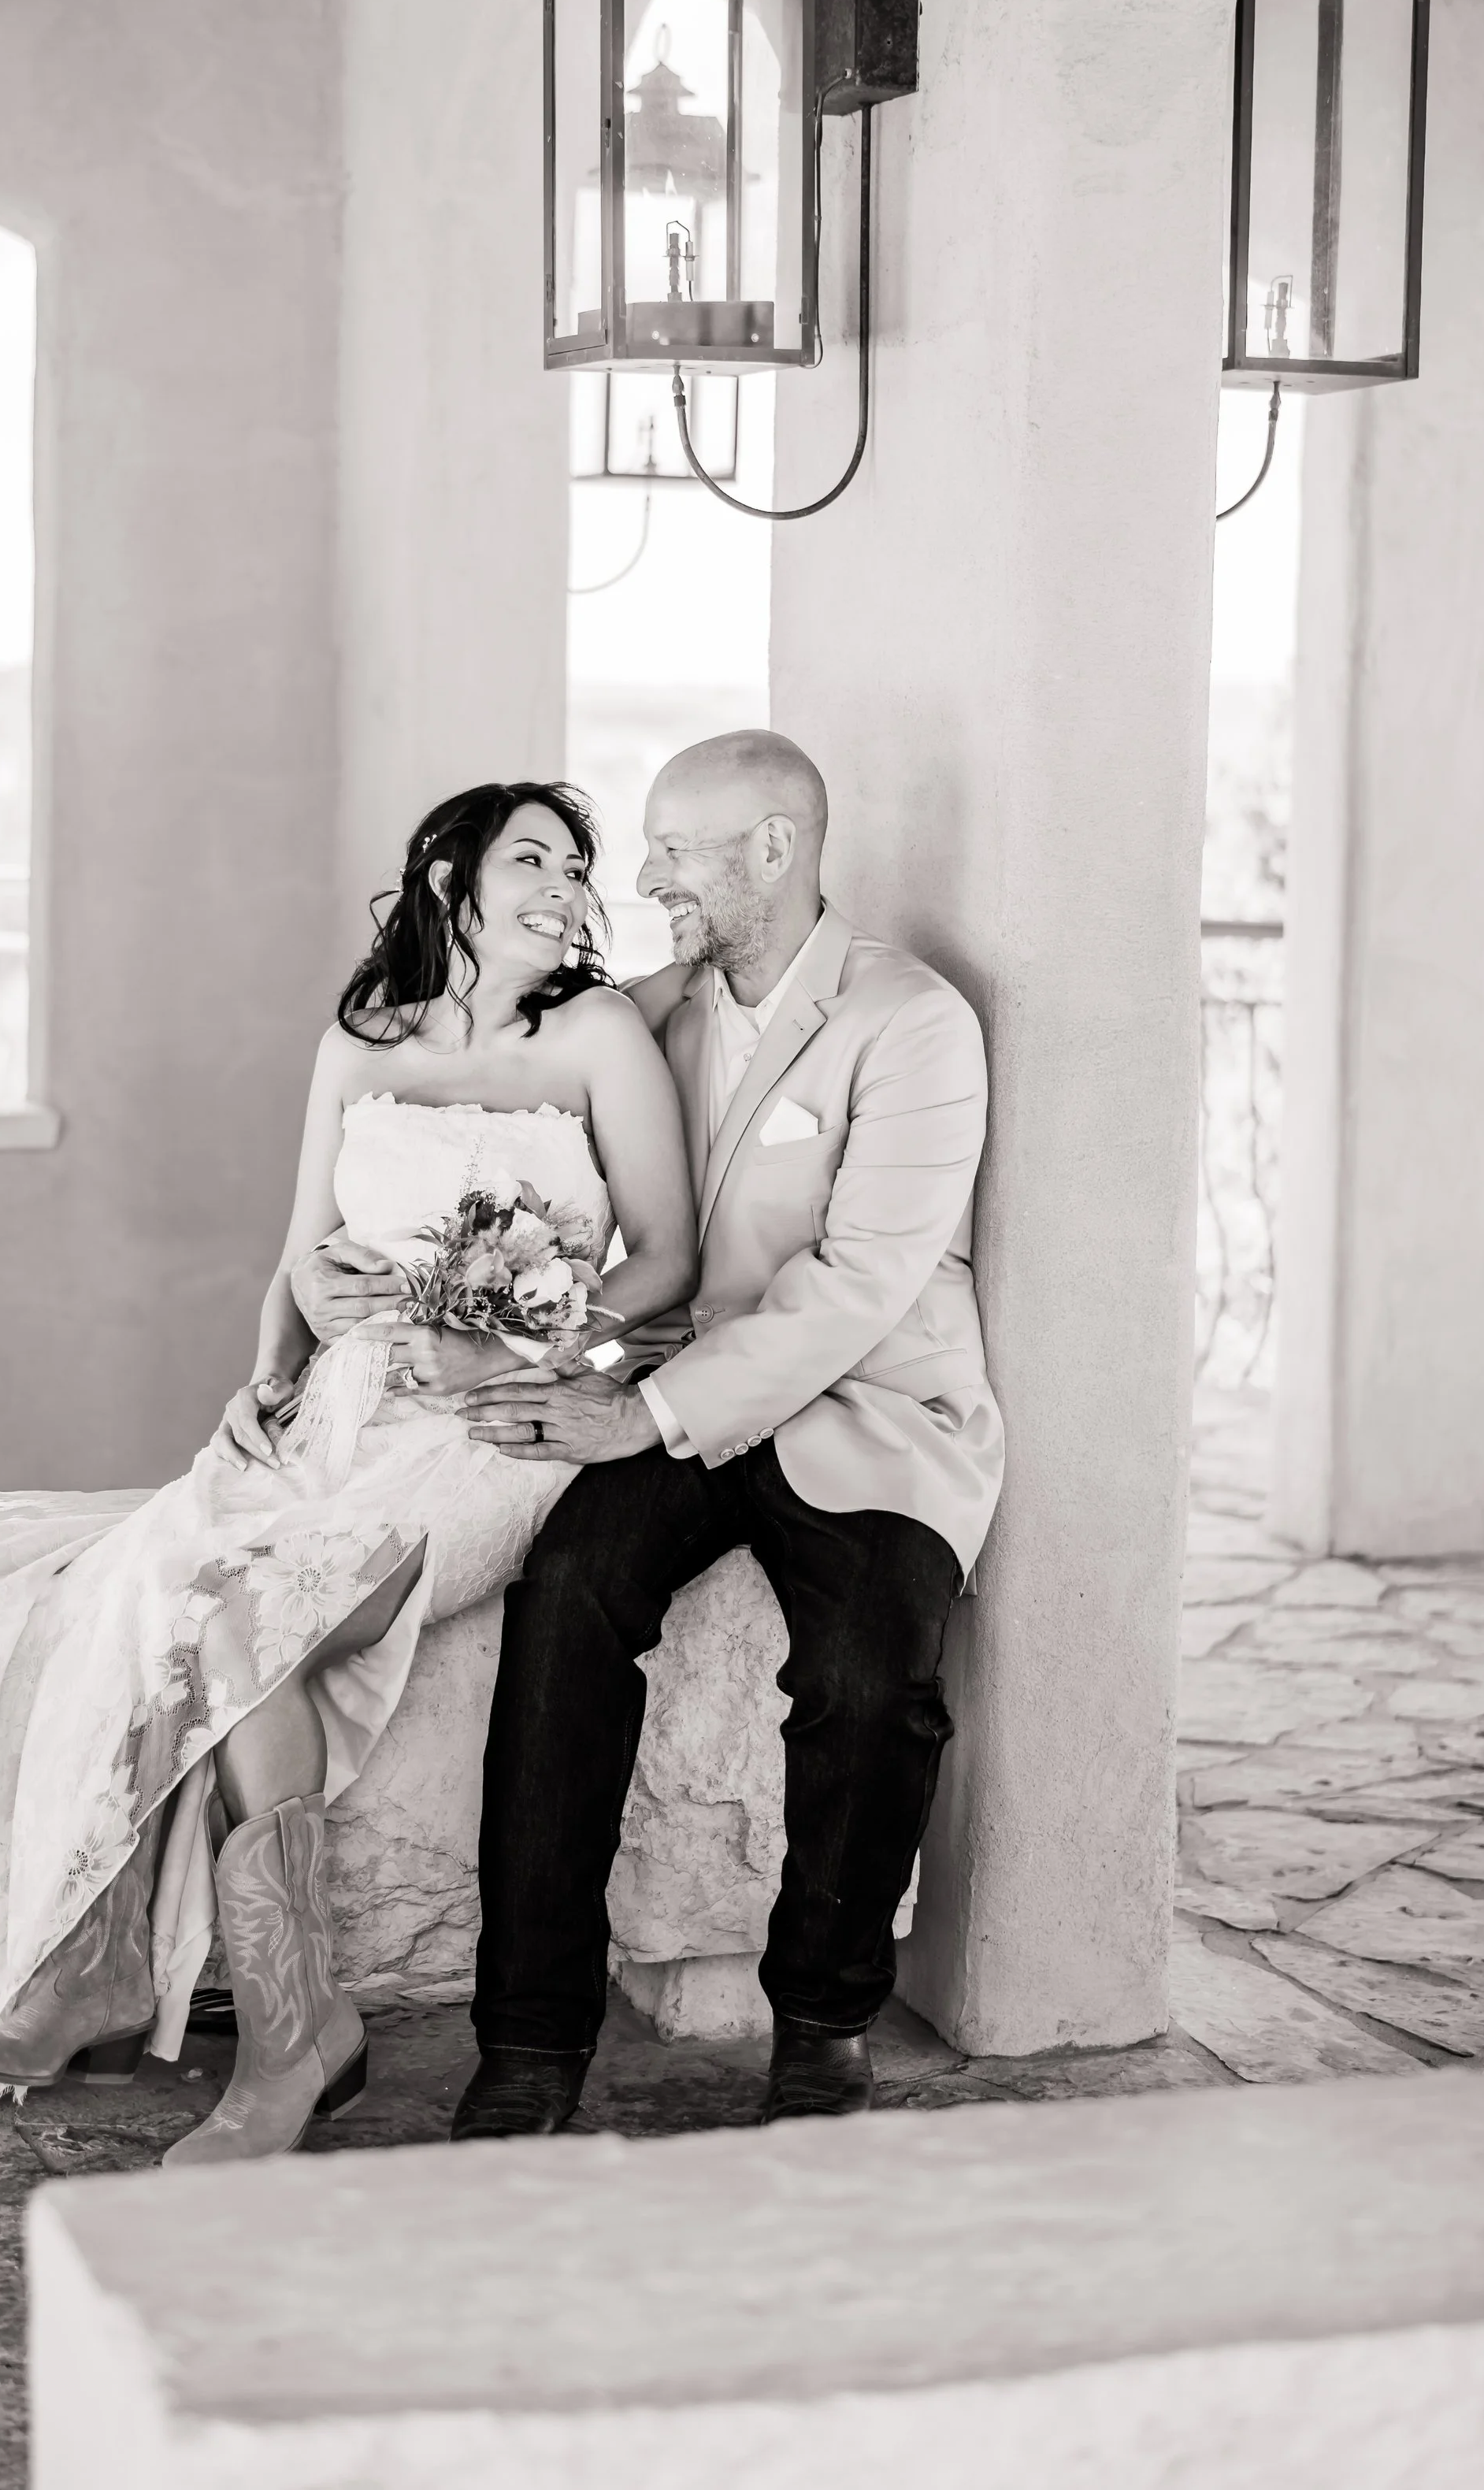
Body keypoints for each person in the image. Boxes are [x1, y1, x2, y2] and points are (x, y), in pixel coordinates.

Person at [0, 781, 696, 2163]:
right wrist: (270, 1379)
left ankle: (285, 2037)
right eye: (531, 852)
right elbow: (298, 1254)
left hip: (491, 1435)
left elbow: (664, 1259)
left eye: (577, 862)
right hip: (337, 1416)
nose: (564, 878)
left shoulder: (597, 1033)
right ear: (447, 875)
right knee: (159, 1579)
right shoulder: (362, 1039)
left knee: (239, 1609)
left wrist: (534, 1348)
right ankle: (114, 1964)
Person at [440, 730, 1004, 2133]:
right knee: (563, 1598)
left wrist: (642, 1414)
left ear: (775, 847)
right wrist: (365, 1250)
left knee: (876, 1675)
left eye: (674, 849)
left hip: (867, 1405)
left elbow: (861, 1285)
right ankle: (526, 2040)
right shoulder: (652, 1014)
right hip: (685, 1392)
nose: (642, 877)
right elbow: (499, 1107)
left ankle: (822, 2021)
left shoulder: (915, 1019)